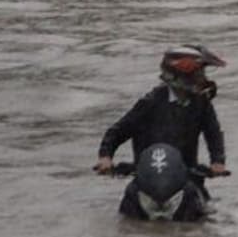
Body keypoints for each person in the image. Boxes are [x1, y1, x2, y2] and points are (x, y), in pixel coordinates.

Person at [94, 45, 228, 180]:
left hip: (187, 178)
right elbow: (118, 131)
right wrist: (105, 157)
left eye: (202, 74)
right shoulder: (150, 102)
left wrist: (217, 162)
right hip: (147, 180)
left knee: (202, 199)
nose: (202, 79)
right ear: (182, 75)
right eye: (198, 74)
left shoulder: (201, 103)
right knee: (130, 199)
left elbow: (213, 133)